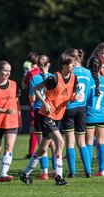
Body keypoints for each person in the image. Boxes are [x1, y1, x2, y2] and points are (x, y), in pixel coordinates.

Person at [20, 52, 79, 186]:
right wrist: (45, 103)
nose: (74, 65)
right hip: (46, 116)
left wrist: (75, 97)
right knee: (60, 142)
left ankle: (25, 174)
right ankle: (59, 177)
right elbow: (35, 89)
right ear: (64, 65)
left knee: (42, 149)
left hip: (57, 116)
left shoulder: (74, 78)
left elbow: (70, 97)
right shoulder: (54, 78)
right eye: (71, 63)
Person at [62, 48, 92, 178]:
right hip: (82, 108)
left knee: (70, 142)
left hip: (69, 107)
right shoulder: (88, 72)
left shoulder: (69, 71)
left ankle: (72, 171)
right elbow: (90, 91)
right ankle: (88, 171)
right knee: (82, 142)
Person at [29, 55, 57, 180]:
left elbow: (32, 98)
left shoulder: (34, 79)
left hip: (39, 111)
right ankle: (56, 171)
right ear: (48, 65)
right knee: (55, 143)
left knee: (41, 144)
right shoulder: (55, 77)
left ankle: (44, 172)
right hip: (52, 111)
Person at [85, 56, 104, 176]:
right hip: (103, 116)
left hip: (90, 115)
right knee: (102, 142)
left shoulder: (87, 81)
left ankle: (88, 170)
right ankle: (102, 170)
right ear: (100, 67)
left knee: (88, 143)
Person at [22, 52, 40, 159]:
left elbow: (23, 86)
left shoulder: (31, 73)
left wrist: (25, 73)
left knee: (34, 127)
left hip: (34, 102)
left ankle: (32, 152)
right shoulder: (44, 72)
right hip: (45, 102)